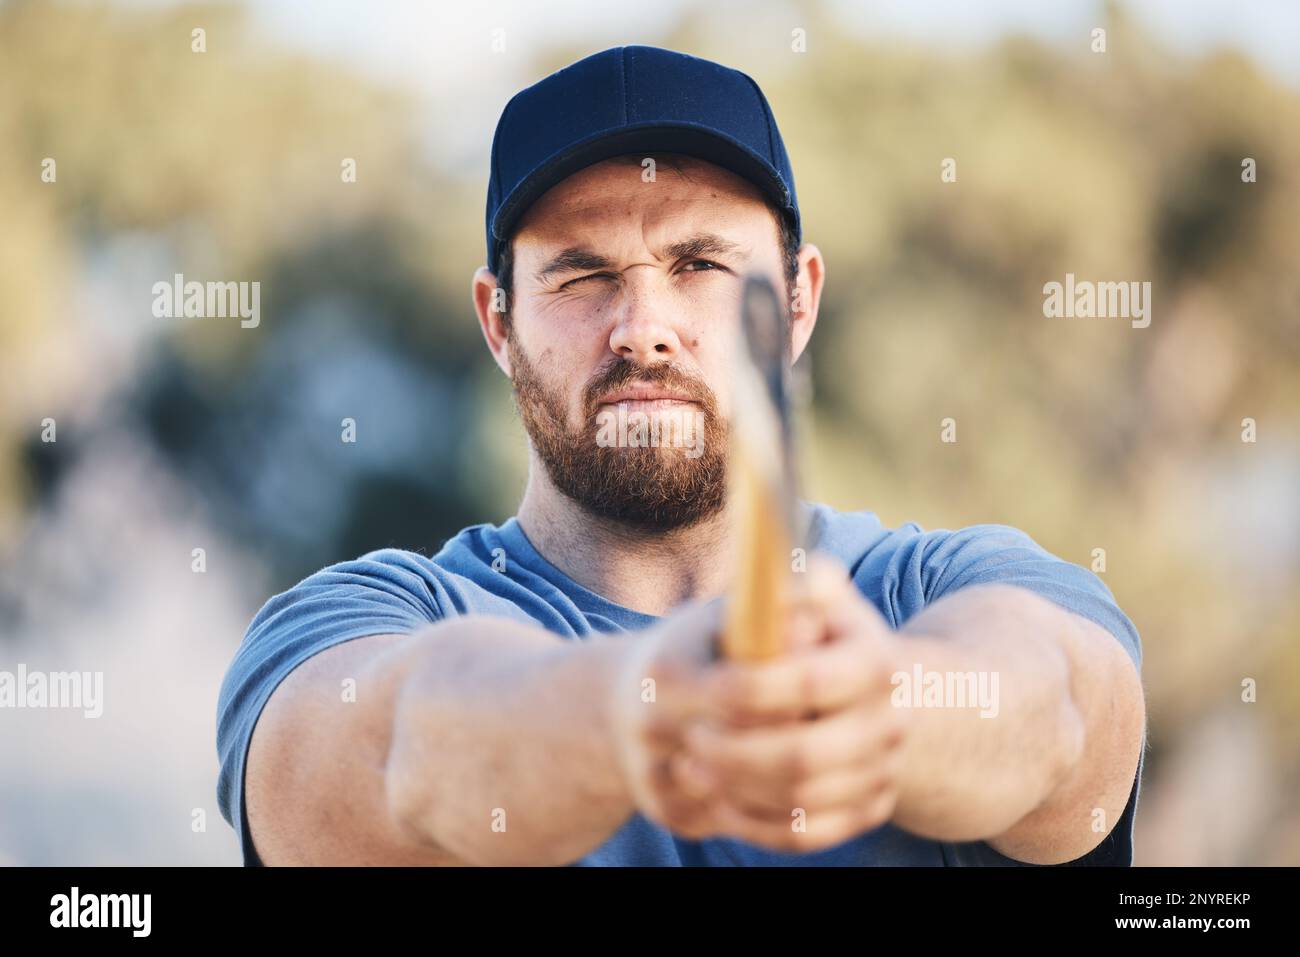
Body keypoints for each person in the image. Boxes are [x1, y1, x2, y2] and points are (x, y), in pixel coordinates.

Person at [216, 45, 1145, 866]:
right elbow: (394, 754)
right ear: (497, 323)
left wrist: (879, 714)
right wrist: (651, 707)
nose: (643, 330)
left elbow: (1064, 711)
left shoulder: (940, 592)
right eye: (583, 275)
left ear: (797, 300)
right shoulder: (362, 624)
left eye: (699, 264)